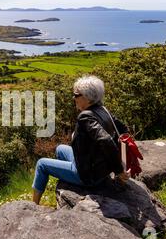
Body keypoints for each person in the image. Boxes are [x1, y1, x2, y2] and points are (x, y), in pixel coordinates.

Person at [32, 75, 131, 205]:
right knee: (60, 148)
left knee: (41, 164)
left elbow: (106, 140)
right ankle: (65, 181)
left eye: (76, 95)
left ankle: (34, 205)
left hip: (89, 176)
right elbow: (124, 129)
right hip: (98, 167)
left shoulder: (86, 117)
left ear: (87, 97)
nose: (74, 98)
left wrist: (119, 171)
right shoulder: (103, 110)